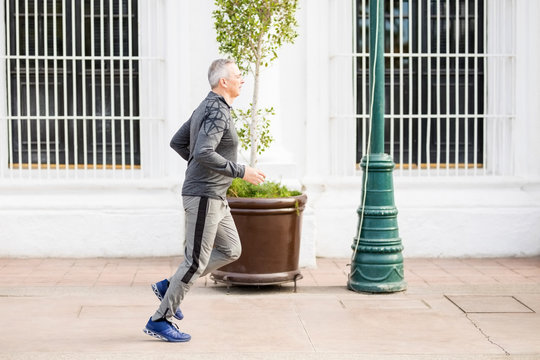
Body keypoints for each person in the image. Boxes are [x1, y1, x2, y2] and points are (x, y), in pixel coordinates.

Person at [142, 59, 266, 342]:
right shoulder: (216, 111)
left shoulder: (208, 106)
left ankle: (170, 285)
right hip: (203, 196)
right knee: (195, 261)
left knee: (231, 249)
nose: (242, 79)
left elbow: (179, 142)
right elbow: (203, 152)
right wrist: (241, 171)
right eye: (237, 75)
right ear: (224, 82)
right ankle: (160, 319)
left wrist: (201, 166)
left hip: (215, 196)